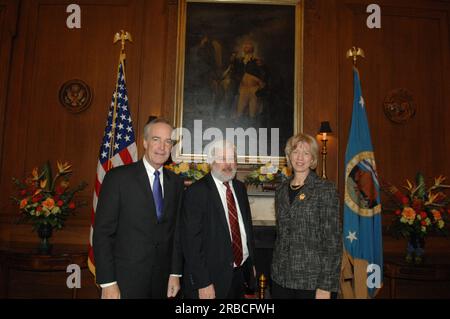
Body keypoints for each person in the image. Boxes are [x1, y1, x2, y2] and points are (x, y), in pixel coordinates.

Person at [93, 118, 184, 299]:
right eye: (156, 139)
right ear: (144, 142)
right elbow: (103, 233)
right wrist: (108, 283)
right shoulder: (118, 179)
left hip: (162, 283)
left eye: (168, 142)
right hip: (124, 282)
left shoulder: (176, 183)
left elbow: (176, 233)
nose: (162, 147)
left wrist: (175, 274)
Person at [181, 140, 256, 299]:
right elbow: (191, 243)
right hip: (210, 280)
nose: (228, 164)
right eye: (222, 158)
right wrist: (203, 282)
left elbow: (246, 231)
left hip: (239, 276)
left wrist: (251, 265)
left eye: (231, 158)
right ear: (211, 161)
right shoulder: (196, 192)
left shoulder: (240, 188)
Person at [270, 133, 342, 299]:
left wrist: (326, 286)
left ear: (313, 159)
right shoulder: (281, 190)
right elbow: (281, 234)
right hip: (280, 278)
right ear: (289, 156)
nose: (300, 157)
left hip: (312, 282)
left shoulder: (325, 189)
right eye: (295, 152)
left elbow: (332, 242)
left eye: (306, 153)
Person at [232, 40, 268, 119]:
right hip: (243, 88)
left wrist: (260, 83)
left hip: (254, 88)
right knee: (240, 112)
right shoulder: (239, 61)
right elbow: (235, 73)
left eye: (248, 45)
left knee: (253, 113)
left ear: (252, 48)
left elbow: (264, 74)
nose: (246, 47)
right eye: (245, 45)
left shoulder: (257, 61)